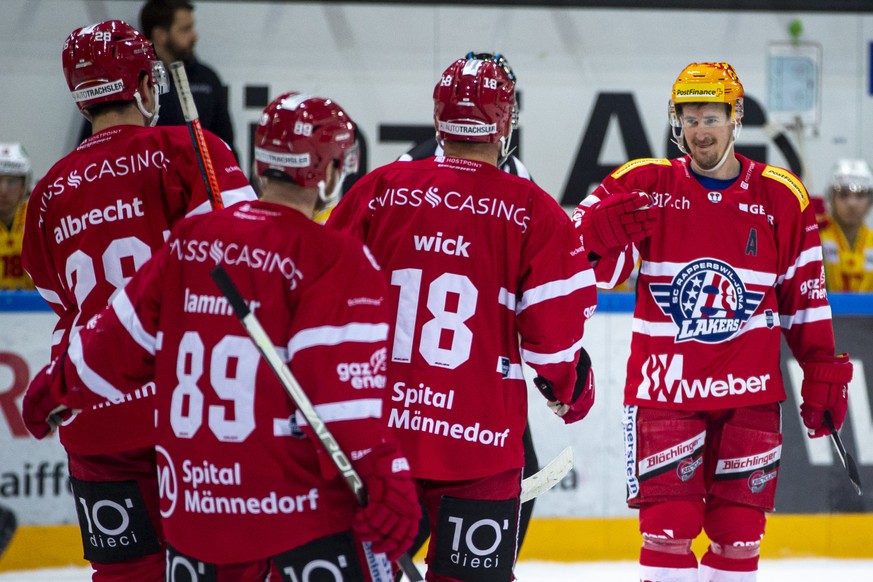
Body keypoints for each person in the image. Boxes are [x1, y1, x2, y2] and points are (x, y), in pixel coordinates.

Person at [22, 92, 420, 581]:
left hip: (194, 510)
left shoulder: (194, 240)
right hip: (290, 508)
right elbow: (343, 398)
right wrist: (386, 479)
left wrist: (60, 383)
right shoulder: (334, 257)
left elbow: (120, 335)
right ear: (330, 170)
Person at [574, 62, 852, 582]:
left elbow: (805, 298)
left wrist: (821, 368)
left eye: (711, 117)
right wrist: (591, 235)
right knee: (668, 528)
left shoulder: (780, 196)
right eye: (690, 117)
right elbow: (578, 266)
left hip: (749, 394)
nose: (699, 130)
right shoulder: (644, 183)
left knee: (740, 535)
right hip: (666, 393)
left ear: (735, 117)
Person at [328, 56, 599, 581]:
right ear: (504, 123)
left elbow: (321, 300)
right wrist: (572, 389)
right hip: (482, 447)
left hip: (382, 436)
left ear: (439, 119)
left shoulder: (380, 189)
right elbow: (550, 340)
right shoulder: (533, 209)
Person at [20, 20, 255, 580]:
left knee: (126, 575)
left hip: (94, 410)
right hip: (191, 407)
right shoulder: (188, 150)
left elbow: (56, 293)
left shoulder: (51, 189)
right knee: (225, 567)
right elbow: (245, 264)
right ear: (148, 86)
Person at [394, 50, 540, 563]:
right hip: (456, 376)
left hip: (462, 369)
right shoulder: (413, 168)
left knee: (520, 477)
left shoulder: (401, 172)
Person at [77, 0, 237, 158]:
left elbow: (226, 145)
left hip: (197, 179)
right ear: (160, 35)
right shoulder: (128, 81)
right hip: (143, 177)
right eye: (185, 29)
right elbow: (94, 142)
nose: (194, 35)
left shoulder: (207, 78)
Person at [819, 158, 873, 291]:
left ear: (870, 201)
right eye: (843, 195)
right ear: (831, 198)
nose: (852, 204)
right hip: (825, 311)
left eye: (860, 195)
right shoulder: (816, 238)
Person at [0, 143, 34, 290]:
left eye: (12, 181)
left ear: (23, 186)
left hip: (33, 310)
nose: (3, 190)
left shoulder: (38, 220)